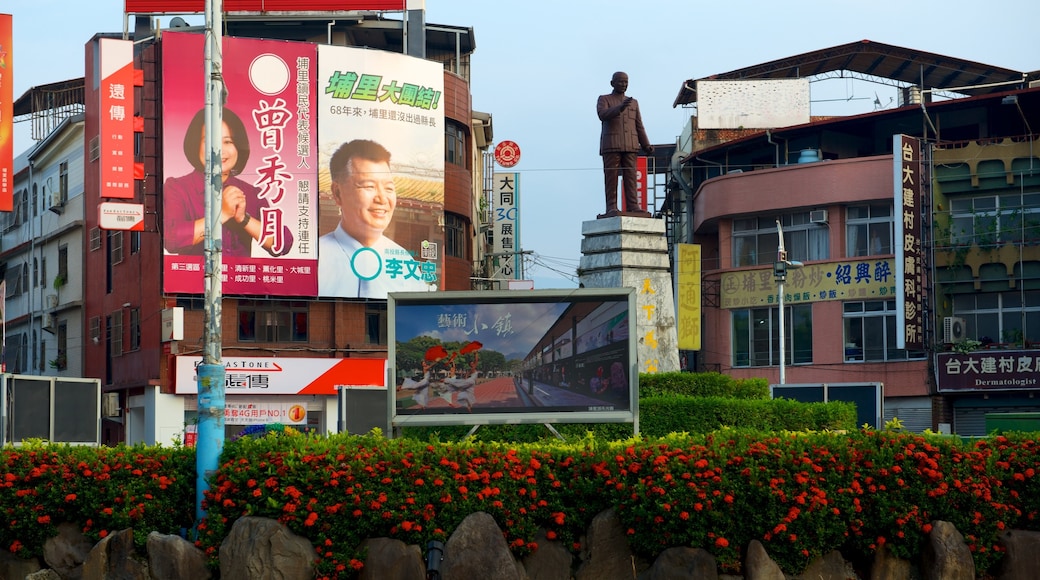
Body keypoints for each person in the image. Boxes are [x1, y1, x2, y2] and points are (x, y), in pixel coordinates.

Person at [163, 107, 291, 257]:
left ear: (238, 148)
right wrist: (220, 215)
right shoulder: (177, 188)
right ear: (196, 144)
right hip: (195, 279)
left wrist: (244, 219)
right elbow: (170, 240)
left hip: (240, 278)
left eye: (228, 141)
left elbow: (283, 244)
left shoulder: (252, 193)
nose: (219, 150)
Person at [318, 139, 433, 298]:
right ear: (337, 193)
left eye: (388, 188)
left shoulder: (404, 264)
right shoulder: (316, 258)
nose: (382, 199)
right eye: (369, 186)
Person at [597, 71, 654, 218]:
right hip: (611, 144)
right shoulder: (604, 99)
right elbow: (602, 115)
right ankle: (611, 206)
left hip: (630, 145)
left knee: (631, 177)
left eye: (626, 82)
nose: (623, 84)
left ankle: (633, 206)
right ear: (612, 83)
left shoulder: (633, 102)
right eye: (621, 81)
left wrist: (646, 144)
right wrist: (620, 108)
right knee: (611, 178)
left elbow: (639, 125)